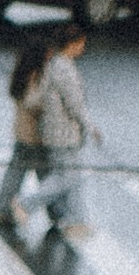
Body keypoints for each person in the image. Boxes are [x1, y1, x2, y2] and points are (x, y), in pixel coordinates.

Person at [34, 20, 98, 243]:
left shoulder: (54, 64)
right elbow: (75, 105)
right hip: (62, 134)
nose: (83, 48)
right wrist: (90, 127)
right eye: (81, 43)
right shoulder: (65, 69)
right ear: (72, 44)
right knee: (66, 178)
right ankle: (25, 203)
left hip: (54, 132)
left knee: (71, 178)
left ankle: (76, 221)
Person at [0, 38, 50, 232]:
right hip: (34, 136)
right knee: (49, 176)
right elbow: (34, 102)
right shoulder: (35, 77)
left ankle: (3, 209)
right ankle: (57, 213)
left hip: (21, 133)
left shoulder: (20, 74)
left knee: (15, 173)